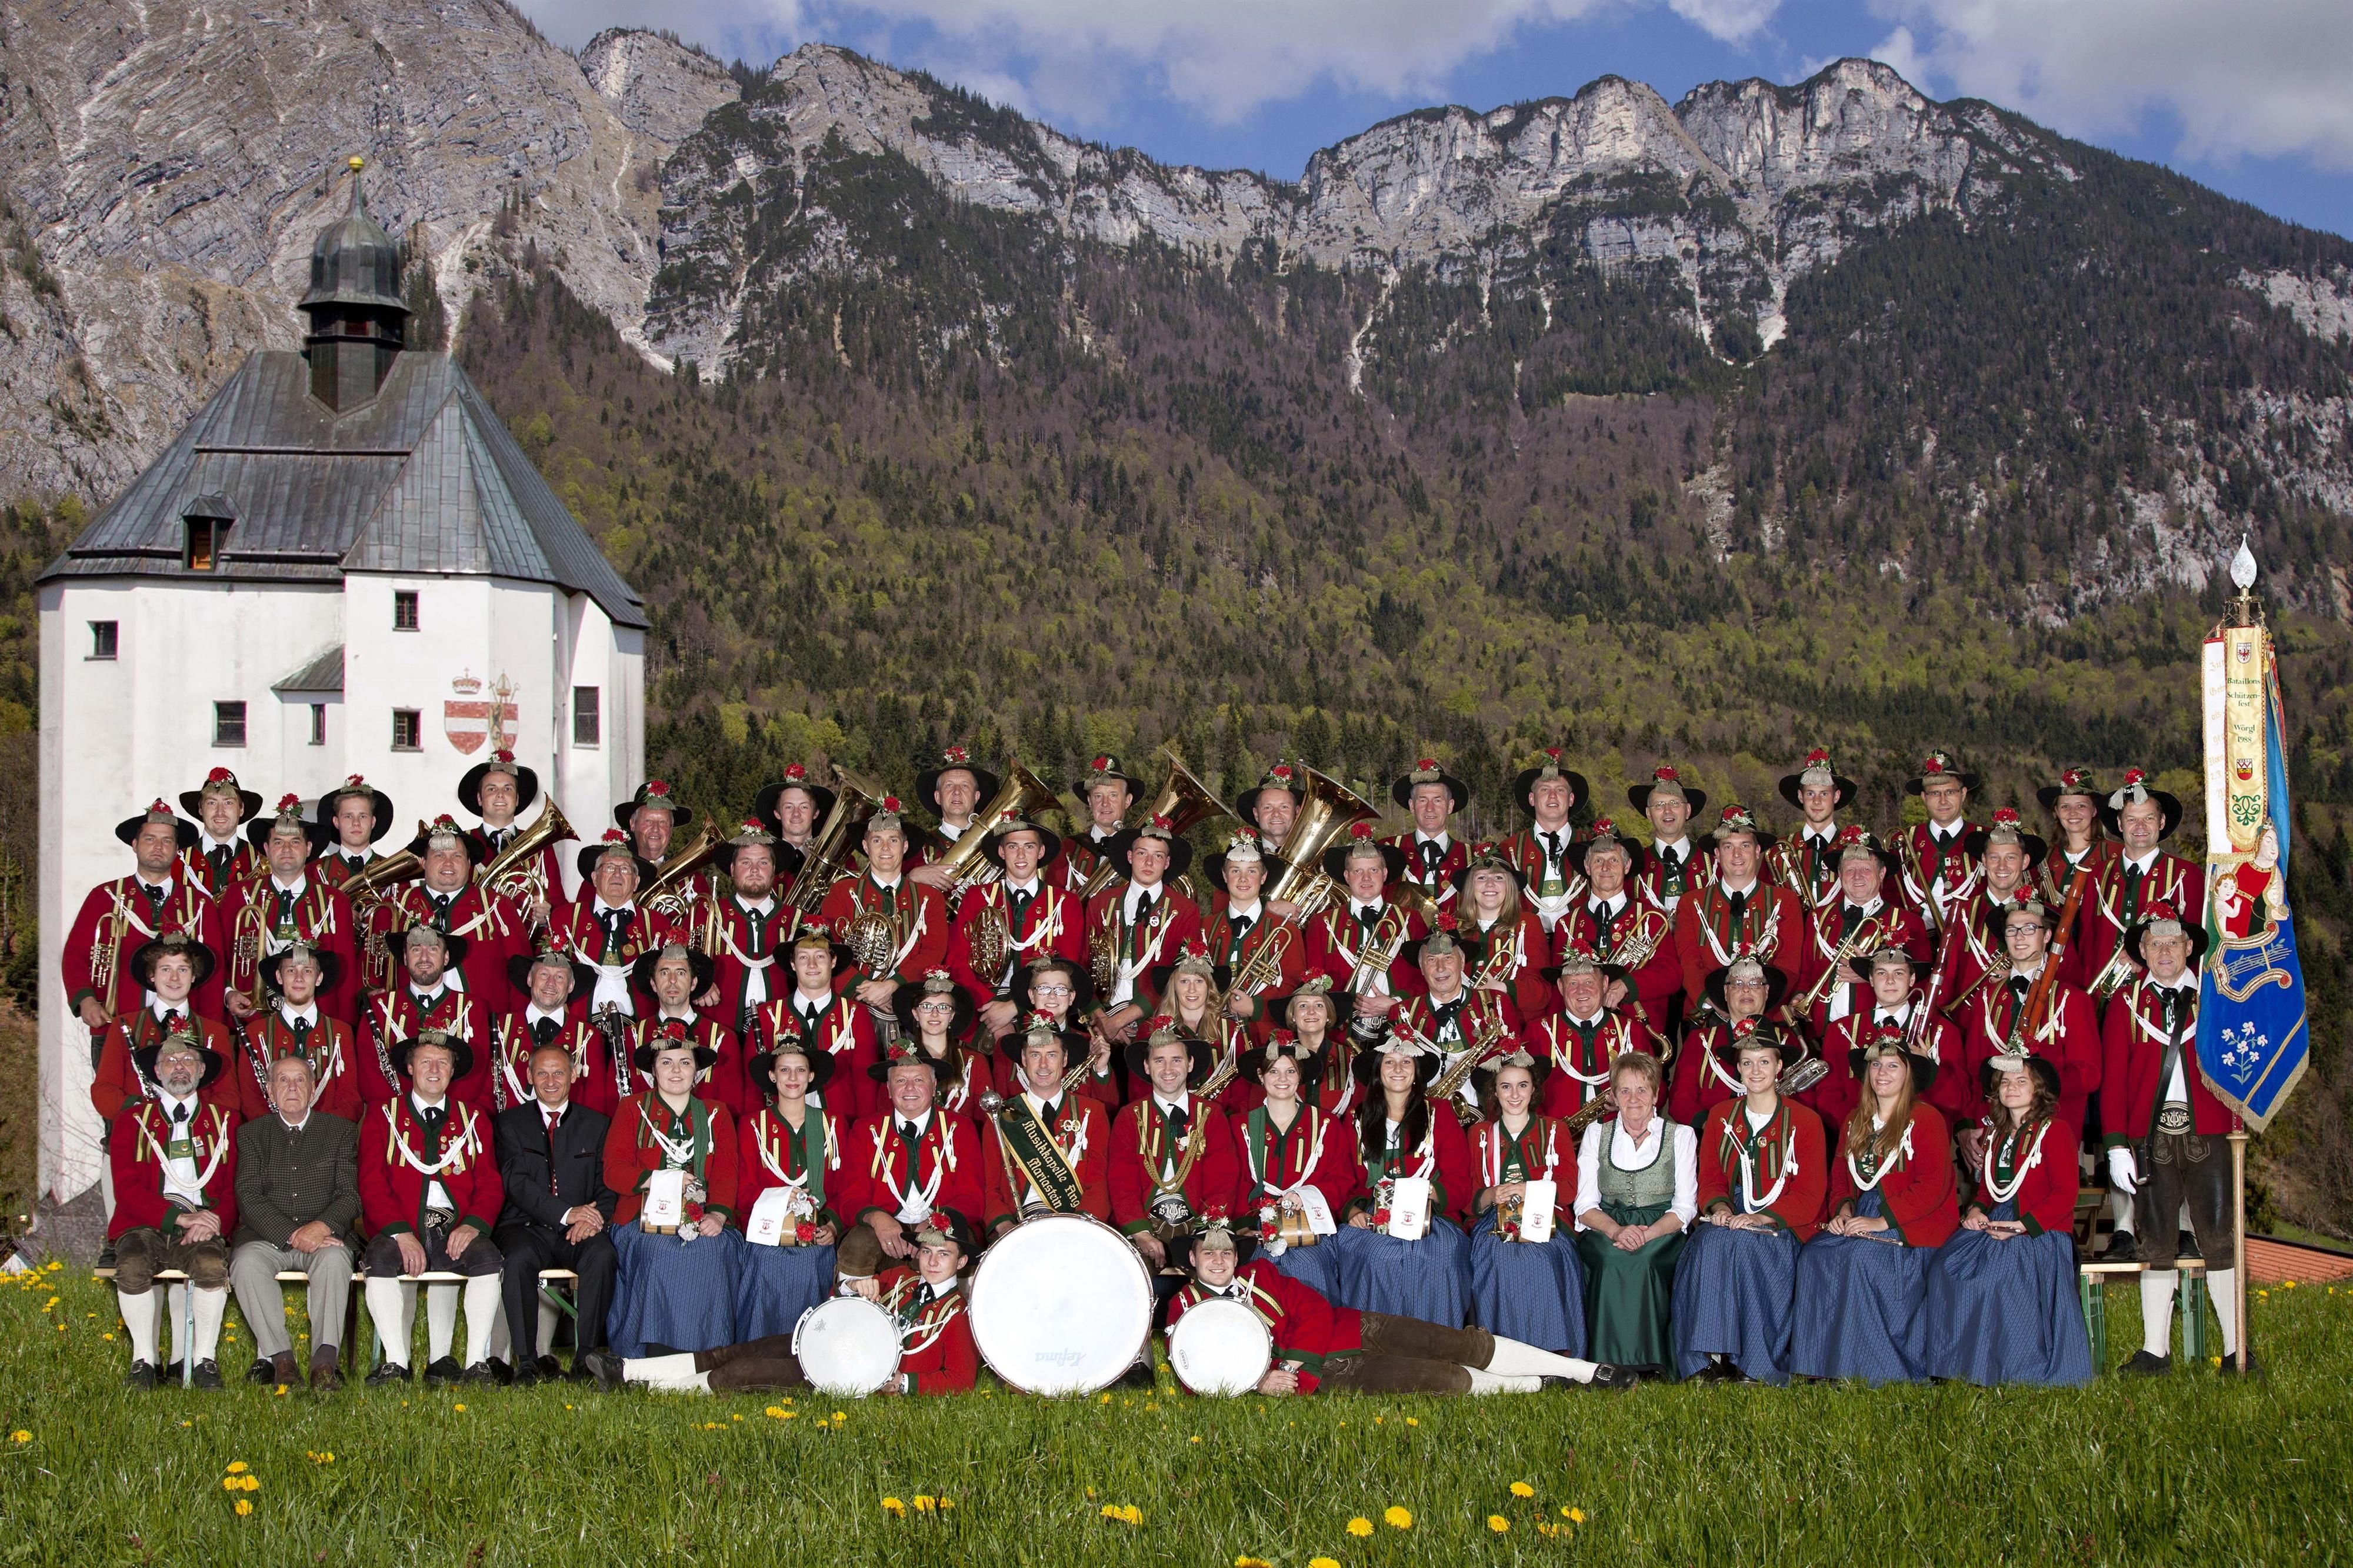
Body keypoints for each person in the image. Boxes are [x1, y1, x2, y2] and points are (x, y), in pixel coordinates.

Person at [1167, 1217, 1637, 1394]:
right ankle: (1541, 1385)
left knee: (1459, 1343)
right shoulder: (1185, 1309)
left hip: (1355, 1328)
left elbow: (1314, 1309)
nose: (1219, 1260)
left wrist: (1291, 1368)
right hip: (1337, 1373)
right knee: (1440, 1379)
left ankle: (1587, 1371)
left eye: (1226, 1252)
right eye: (1208, 1253)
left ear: (1237, 1257)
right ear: (1192, 1260)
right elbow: (1198, 1378)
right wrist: (1259, 1383)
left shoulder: (1261, 1275)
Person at [585, 1210, 982, 1396]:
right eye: (926, 1252)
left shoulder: (957, 1315)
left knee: (740, 1372)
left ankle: (649, 1389)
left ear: (961, 1262)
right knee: (734, 1351)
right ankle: (627, 1370)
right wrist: (853, 1288)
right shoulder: (900, 1280)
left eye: (943, 1255)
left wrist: (905, 1383)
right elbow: (837, 1303)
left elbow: (961, 1380)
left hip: (844, 1374)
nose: (932, 1262)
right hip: (827, 1345)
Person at [2101, 904, 2249, 1372]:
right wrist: (2116, 1144)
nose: (2164, 951)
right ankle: (2155, 1351)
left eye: (2173, 942)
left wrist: (2239, 1119)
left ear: (2189, 948)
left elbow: (2238, 1060)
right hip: (2150, 1139)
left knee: (2220, 1238)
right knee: (2156, 1241)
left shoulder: (2217, 998)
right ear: (2143, 952)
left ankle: (2237, 1350)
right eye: (2155, 943)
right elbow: (2114, 1079)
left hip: (2212, 1131)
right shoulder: (2125, 1004)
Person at [1789, 1033, 1958, 1384]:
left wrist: (1882, 1221)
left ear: (1909, 1074)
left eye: (1893, 1066)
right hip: (1862, 1216)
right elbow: (1841, 1177)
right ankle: (1820, 1363)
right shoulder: (1856, 1120)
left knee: (1859, 1258)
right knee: (1816, 1256)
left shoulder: (1926, 1119)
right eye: (1877, 1065)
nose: (1882, 1073)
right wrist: (1844, 1210)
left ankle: (1868, 1368)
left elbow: (1932, 1187)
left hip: (1911, 1225)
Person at [1670, 1020, 1828, 1384]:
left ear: (1779, 1066)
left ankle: (1755, 1363)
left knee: (1747, 1248)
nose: (1756, 1071)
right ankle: (1704, 1361)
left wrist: (1761, 1219)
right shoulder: (1720, 1115)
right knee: (1708, 1244)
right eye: (1747, 1063)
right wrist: (1721, 1209)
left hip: (1783, 1222)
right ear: (1738, 1069)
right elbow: (1711, 1178)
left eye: (1764, 1062)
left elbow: (1809, 1195)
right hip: (1731, 1216)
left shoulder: (1806, 1121)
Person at [1926, 1053, 2094, 1386]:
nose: (2011, 1088)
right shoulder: (1997, 1135)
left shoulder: (2056, 1131)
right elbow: (1988, 1189)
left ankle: (2009, 1367)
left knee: (1994, 1275)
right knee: (1946, 1266)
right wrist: (1977, 1210)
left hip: (2039, 1231)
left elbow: (2065, 1194)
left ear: (2038, 1089)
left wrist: (2021, 1227)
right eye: (2005, 1082)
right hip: (1997, 1222)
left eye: (2021, 1081)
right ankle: (1957, 1363)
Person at [357, 1030, 505, 1386]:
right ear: (410, 1068)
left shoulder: (473, 1118)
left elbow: (490, 1182)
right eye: (426, 1062)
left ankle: (476, 1363)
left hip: (455, 1228)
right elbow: (371, 1183)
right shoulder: (383, 1115)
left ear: (453, 1071)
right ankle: (396, 1363)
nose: (435, 1070)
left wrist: (472, 1225)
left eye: (443, 1063)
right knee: (378, 1256)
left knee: (487, 1255)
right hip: (401, 1227)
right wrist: (400, 1233)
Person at [109, 1030, 241, 1389]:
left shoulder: (226, 1121)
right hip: (144, 1224)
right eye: (170, 1060)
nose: (179, 1067)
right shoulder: (131, 1121)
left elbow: (235, 1186)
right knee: (132, 1265)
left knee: (211, 1266)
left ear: (201, 1070)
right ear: (156, 1071)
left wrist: (214, 1222)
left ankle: (204, 1361)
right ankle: (143, 1362)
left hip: (203, 1224)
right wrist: (178, 1218)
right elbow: (126, 1189)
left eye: (188, 1060)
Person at [602, 1029, 743, 1360]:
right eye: (666, 1063)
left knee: (715, 1247)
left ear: (698, 1072)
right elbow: (614, 1171)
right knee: (661, 1248)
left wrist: (718, 1214)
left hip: (703, 1215)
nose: (676, 1070)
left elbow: (726, 1171)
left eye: (685, 1063)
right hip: (641, 1219)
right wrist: (662, 1181)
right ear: (654, 1070)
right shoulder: (632, 1108)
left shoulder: (716, 1113)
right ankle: (656, 1355)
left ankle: (708, 1355)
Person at [229, 1052, 358, 1391]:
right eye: (283, 1081)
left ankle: (324, 1364)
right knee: (245, 1263)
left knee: (335, 1260)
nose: (292, 1087)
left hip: (324, 1238)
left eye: (300, 1080)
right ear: (270, 1091)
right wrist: (291, 1233)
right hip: (266, 1238)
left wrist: (322, 1227)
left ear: (313, 1090)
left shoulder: (340, 1131)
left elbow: (350, 1194)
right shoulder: (252, 1134)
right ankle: (282, 1361)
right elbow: (248, 1195)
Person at [492, 1042, 619, 1383]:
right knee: (517, 1260)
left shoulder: (598, 1124)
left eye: (559, 1073)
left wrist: (593, 1220)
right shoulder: (509, 1123)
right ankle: (527, 1360)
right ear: (529, 1076)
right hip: (525, 1227)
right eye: (542, 1073)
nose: (551, 1081)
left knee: (602, 1255)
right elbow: (517, 1184)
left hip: (579, 1230)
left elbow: (608, 1184)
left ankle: (586, 1358)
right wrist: (567, 1213)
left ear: (573, 1075)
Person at [1329, 1036, 1474, 1323]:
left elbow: (1459, 1178)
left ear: (1416, 1071)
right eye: (1390, 1062)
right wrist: (1352, 1211)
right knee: (1378, 1255)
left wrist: (1431, 1191)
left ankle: (1437, 1340)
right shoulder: (1357, 1118)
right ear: (1378, 1072)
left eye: (1406, 1062)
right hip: (1375, 1215)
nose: (1398, 1069)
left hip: (1432, 1217)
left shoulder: (1440, 1113)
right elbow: (1342, 1176)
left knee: (1438, 1254)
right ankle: (1377, 1340)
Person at [1572, 1052, 1695, 1374]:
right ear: (1613, 1097)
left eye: (1642, 1090)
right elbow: (1585, 1205)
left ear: (1656, 1095)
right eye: (1624, 1091)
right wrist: (1615, 1230)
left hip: (1662, 1229)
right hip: (1608, 1226)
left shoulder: (1681, 1136)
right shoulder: (1596, 1134)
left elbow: (1685, 1207)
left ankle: (1651, 1363)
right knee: (1610, 1257)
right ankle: (1605, 1363)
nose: (1634, 1098)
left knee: (1645, 1259)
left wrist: (1648, 1234)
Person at [64, 799, 216, 1043]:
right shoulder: (104, 897)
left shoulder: (199, 905)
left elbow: (214, 975)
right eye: (150, 839)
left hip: (187, 1034)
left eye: (167, 841)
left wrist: (211, 1029)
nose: (158, 847)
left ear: (177, 849)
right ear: (135, 845)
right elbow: (75, 955)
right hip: (114, 1026)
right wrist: (86, 1000)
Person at [834, 1046, 986, 1282]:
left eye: (919, 1080)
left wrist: (936, 1222)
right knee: (858, 1244)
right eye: (901, 1081)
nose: (910, 1088)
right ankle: (853, 1302)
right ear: (889, 1089)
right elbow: (850, 1197)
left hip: (939, 1228)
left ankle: (947, 1305)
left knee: (948, 1245)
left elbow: (972, 1198)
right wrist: (877, 1219)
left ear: (934, 1086)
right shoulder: (865, 1130)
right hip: (882, 1234)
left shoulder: (961, 1129)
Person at [1468, 1049, 1585, 1356]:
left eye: (1522, 1085)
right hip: (1493, 1222)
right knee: (1499, 1254)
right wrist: (1491, 1194)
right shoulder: (1480, 1134)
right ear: (1495, 1092)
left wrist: (1529, 1189)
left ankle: (1554, 1352)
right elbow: (1470, 1197)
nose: (1515, 1094)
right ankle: (1503, 1353)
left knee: (1540, 1255)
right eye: (1506, 1086)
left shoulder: (1555, 1129)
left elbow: (1569, 1189)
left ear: (1534, 1089)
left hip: (1547, 1219)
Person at [1958, 900, 2102, 1145]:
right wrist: (1970, 1125)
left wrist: (2032, 1087)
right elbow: (1973, 1070)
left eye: (2029, 928)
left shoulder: (2074, 1000)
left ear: (2047, 936)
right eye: (2012, 930)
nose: (2019, 937)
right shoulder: (1985, 998)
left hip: (2054, 1131)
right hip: (1994, 1132)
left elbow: (2089, 1075)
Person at [1232, 1032, 1361, 1300]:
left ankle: (1316, 1327)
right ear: (1261, 1076)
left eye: (1290, 1071)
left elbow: (1341, 1179)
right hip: (1256, 1226)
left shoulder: (1326, 1126)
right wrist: (1244, 1226)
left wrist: (1306, 1197)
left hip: (1311, 1225)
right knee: (1257, 1269)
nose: (1282, 1078)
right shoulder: (1240, 1126)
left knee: (1308, 1267)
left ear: (1300, 1076)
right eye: (1274, 1071)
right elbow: (1236, 1180)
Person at [732, 1040, 845, 1345]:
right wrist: (782, 1198)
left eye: (800, 1070)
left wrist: (833, 1225)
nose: (792, 1078)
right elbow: (743, 1192)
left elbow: (845, 1188)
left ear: (811, 1076)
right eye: (784, 1070)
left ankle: (811, 1350)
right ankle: (758, 1350)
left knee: (812, 1260)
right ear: (772, 1076)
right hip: (767, 1233)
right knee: (766, 1261)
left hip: (816, 1234)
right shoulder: (752, 1125)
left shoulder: (832, 1125)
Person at [1109, 1027, 1241, 1278]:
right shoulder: (1129, 1117)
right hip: (1145, 1228)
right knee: (1129, 1277)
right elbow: (1121, 1183)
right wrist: (1141, 1232)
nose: (1168, 1069)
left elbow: (1223, 1181)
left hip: (1199, 1228)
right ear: (1147, 1067)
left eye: (1176, 1060)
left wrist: (1205, 1235)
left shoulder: (1211, 1115)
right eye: (1159, 1061)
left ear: (1190, 1064)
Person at [220, 797, 356, 1026]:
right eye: (278, 842)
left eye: (295, 842)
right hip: (251, 1018)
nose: (286, 849)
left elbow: (346, 973)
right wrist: (229, 993)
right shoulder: (239, 895)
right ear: (266, 849)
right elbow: (222, 954)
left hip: (318, 1023)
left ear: (308, 848)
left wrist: (343, 1028)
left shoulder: (335, 902)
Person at [949, 816, 1086, 1043]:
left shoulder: (1066, 903)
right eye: (1013, 847)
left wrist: (1015, 1007)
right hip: (982, 1009)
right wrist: (990, 1007)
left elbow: (1068, 966)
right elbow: (957, 959)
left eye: (1029, 847)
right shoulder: (977, 897)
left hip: (1041, 1009)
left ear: (1041, 852)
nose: (1021, 855)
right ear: (1002, 852)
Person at [816, 799, 954, 1023]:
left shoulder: (930, 898)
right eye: (877, 840)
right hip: (852, 1006)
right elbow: (829, 949)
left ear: (905, 847)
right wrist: (867, 992)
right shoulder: (841, 892)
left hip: (910, 1006)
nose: (886, 848)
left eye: (893, 840)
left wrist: (892, 986)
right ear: (866, 846)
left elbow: (933, 952)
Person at [2077, 769, 2205, 1005]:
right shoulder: (2097, 876)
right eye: (2131, 819)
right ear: (2120, 823)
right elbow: (2087, 943)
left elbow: (2195, 948)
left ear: (2162, 822)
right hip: (2100, 1001)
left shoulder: (2187, 876)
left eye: (2149, 818)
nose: (2140, 826)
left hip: (2162, 1003)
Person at [1789, 826, 1929, 1039]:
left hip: (1879, 1035)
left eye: (1866, 869)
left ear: (1881, 873)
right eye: (1849, 870)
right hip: (1821, 1033)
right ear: (1839, 875)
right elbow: (1806, 973)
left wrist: (1870, 975)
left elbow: (1920, 986)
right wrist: (1800, 995)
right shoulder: (1818, 918)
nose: (1857, 877)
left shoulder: (1909, 923)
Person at [978, 1017, 1114, 1234]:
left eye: (1051, 1055)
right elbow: (990, 1188)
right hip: (1019, 1227)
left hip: (1077, 1226)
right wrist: (1005, 1227)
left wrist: (1081, 1228)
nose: (1043, 1065)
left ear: (1065, 1059)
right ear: (1023, 1059)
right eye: (1035, 1055)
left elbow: (1099, 1184)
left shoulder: (1093, 1112)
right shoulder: (999, 1116)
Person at [1813, 948, 1967, 1133]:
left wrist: (1929, 1068)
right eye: (1881, 973)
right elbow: (1828, 1096)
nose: (1890, 981)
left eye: (1899, 973)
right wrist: (1862, 1128)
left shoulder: (1943, 1031)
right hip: (1860, 1137)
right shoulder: (1840, 1031)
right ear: (1871, 979)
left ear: (1912, 979)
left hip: (1921, 1137)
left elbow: (1958, 1100)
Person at [385, 816, 525, 1016]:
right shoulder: (397, 905)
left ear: (469, 863)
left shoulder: (498, 906)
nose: (448, 863)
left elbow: (521, 976)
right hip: (408, 1023)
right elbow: (377, 972)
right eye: (439, 855)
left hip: (481, 1026)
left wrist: (513, 1026)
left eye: (457, 856)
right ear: (423, 862)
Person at [1084, 815, 1202, 1051]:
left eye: (1158, 856)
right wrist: (1100, 1018)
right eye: (1142, 853)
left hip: (1156, 1025)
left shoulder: (1185, 910)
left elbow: (1178, 974)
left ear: (1167, 863)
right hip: (1099, 1025)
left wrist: (1120, 1020)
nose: (1149, 862)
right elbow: (1083, 963)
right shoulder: (1100, 903)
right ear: (1130, 857)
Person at [92, 935, 237, 1126]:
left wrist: (194, 1118)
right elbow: (104, 1091)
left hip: (198, 1132)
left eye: (183, 970)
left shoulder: (215, 1032)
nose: (174, 978)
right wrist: (143, 1111)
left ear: (193, 976)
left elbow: (229, 1096)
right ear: (152, 975)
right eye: (166, 969)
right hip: (140, 1130)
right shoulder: (124, 1026)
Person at [1553, 819, 1679, 1033]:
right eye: (1598, 860)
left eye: (1613, 860)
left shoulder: (1652, 919)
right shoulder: (1567, 924)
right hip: (1581, 1033)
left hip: (1640, 1032)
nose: (1606, 868)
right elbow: (1558, 988)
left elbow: (1672, 975)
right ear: (1587, 867)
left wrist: (1627, 985)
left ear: (1627, 866)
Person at [1672, 804, 1802, 1010]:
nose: (1737, 855)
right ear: (1717, 853)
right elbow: (1689, 962)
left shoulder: (1786, 901)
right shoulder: (1691, 903)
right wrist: (1712, 1003)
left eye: (1745, 846)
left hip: (1768, 1013)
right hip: (1708, 1015)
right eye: (1728, 847)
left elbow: (1789, 963)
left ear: (1757, 851)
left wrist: (1758, 1005)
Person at [1304, 823, 1427, 1038]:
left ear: (1385, 874)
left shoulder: (1411, 920)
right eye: (1358, 871)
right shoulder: (1322, 923)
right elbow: (1312, 983)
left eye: (1373, 870)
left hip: (1402, 1031)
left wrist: (1395, 1003)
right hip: (1341, 1036)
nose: (1366, 878)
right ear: (1347, 876)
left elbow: (1428, 977)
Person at [1389, 919, 1517, 1127]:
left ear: (1462, 961)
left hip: (1489, 1121)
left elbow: (1517, 1068)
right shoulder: (1403, 1012)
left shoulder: (1497, 1003)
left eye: (1448, 957)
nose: (1440, 968)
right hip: (1426, 1121)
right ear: (1422, 967)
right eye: (1431, 959)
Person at [545, 830, 677, 1027]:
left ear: (636, 882)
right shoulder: (565, 918)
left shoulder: (658, 924)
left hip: (641, 1030)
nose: (617, 874)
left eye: (625, 869)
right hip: (578, 1028)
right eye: (609, 868)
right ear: (595, 878)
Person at [693, 817, 806, 1045]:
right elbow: (676, 966)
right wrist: (698, 983)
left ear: (774, 870)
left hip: (781, 1037)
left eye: (763, 863)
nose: (755, 870)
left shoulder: (797, 920)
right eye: (746, 862)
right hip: (715, 1033)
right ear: (732, 869)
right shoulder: (706, 912)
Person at [752, 930, 879, 1123]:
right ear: (793, 964)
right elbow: (753, 1086)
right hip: (779, 1127)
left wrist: (863, 1130)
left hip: (840, 1126)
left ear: (833, 962)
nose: (812, 965)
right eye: (803, 957)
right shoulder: (767, 1015)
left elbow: (866, 1085)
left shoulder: (856, 1015)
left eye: (820, 956)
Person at [358, 925, 489, 1109]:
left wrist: (444, 1109)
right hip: (393, 1115)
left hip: (455, 1115)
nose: (424, 958)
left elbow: (476, 1072)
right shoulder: (379, 1008)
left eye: (433, 949)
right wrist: (404, 1112)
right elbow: (369, 1075)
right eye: (416, 949)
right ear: (405, 957)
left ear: (446, 957)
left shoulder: (473, 1009)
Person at [1527, 945, 1657, 1121]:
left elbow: (1655, 1088)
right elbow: (1525, 1092)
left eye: (1589, 982)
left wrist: (1631, 1104)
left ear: (1604, 984)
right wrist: (1547, 1130)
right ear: (1561, 987)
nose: (1581, 990)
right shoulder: (1538, 1031)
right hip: (1557, 1133)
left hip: (1620, 1131)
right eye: (1573, 983)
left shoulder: (1630, 1030)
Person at [234, 942, 361, 1122]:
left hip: (327, 1135)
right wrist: (278, 1131)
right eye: (291, 970)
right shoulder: (256, 1033)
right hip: (271, 1136)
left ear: (319, 978)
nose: (299, 978)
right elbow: (250, 1100)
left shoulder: (340, 1033)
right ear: (279, 977)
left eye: (307, 971)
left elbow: (350, 1099)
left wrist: (321, 1131)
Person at [492, 945, 614, 1117]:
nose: (551, 983)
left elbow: (596, 1101)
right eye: (544, 974)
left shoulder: (587, 1036)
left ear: (571, 985)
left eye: (559, 977)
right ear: (530, 979)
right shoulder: (500, 1027)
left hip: (570, 1131)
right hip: (508, 1129)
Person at [313, 775, 408, 995]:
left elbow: (405, 934)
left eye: (363, 816)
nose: (356, 823)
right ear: (336, 822)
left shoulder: (398, 873)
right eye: (348, 816)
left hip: (380, 982)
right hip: (329, 983)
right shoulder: (314, 872)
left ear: (373, 822)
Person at [626, 943, 746, 1115]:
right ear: (653, 984)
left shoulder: (723, 1039)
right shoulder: (631, 1037)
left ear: (693, 983)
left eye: (681, 973)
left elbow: (732, 1109)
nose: (672, 980)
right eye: (664, 973)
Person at [1198, 835, 1305, 1022]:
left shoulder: (1286, 931)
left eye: (1252, 871)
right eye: (1235, 871)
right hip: (1211, 1028)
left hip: (1263, 1030)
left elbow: (1294, 985)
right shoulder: (1204, 927)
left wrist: (1257, 1007)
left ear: (1263, 877)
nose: (1243, 879)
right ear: (1225, 876)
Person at [1668, 956, 1782, 1127]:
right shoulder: (1700, 1042)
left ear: (1766, 992)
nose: (1746, 990)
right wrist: (1711, 1126)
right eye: (1737, 984)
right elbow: (1680, 1101)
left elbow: (1804, 1101)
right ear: (1726, 992)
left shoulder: (1786, 1040)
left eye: (1755, 984)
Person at [1139, 942, 1254, 1109]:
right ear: (1174, 987)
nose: (1192, 989)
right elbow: (1140, 1089)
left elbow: (1242, 1093)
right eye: (1184, 981)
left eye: (1199, 981)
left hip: (1221, 1119)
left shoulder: (1233, 1031)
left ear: (1210, 987)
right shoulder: (1151, 1030)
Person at [1489, 748, 1590, 934]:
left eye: (1560, 790)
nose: (1552, 796)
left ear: (1571, 799)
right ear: (1532, 799)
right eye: (1544, 790)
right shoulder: (1508, 849)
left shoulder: (1592, 845)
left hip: (1582, 938)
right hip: (1525, 942)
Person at [1454, 852, 1554, 1026]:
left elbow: (1542, 992)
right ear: (1470, 886)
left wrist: (1502, 988)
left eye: (1499, 878)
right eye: (1481, 878)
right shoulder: (1453, 927)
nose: (1490, 884)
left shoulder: (1528, 924)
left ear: (1510, 886)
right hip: (1465, 1024)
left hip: (1518, 1025)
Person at [461, 750, 560, 922]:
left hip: (525, 938)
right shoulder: (462, 843)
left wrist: (548, 914)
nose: (500, 794)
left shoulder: (540, 847)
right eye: (492, 789)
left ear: (517, 799)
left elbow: (559, 901)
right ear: (479, 799)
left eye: (508, 789)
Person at [1895, 751, 1981, 933]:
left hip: (1972, 938)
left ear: (1963, 794)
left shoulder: (1986, 839)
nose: (1943, 801)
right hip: (1915, 940)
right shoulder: (1903, 841)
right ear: (1924, 797)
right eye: (1935, 793)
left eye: (1950, 792)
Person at [1765, 748, 1857, 911]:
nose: (1817, 801)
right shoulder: (1778, 851)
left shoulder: (1855, 848)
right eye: (1810, 794)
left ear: (1836, 796)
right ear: (1801, 796)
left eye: (1824, 794)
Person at [896, 969, 993, 1117]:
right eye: (926, 1007)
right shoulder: (900, 1061)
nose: (935, 1014)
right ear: (915, 1014)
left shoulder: (975, 1063)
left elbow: (988, 1117)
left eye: (943, 1007)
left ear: (952, 1016)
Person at [1385, 756, 1471, 909]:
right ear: (1412, 806)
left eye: (1438, 800)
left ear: (1450, 806)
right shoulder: (1388, 850)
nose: (1430, 808)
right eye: (1423, 800)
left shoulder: (1471, 857)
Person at [1627, 765, 1711, 916]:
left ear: (1688, 810)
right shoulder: (1632, 867)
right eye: (1659, 805)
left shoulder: (1714, 863)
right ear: (1649, 813)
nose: (1667, 811)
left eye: (1675, 803)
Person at [907, 744, 995, 883]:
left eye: (965, 786)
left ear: (976, 797)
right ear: (938, 797)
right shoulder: (918, 848)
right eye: (949, 785)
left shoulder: (996, 844)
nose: (957, 792)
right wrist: (911, 878)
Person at [616, 779, 708, 907]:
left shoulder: (692, 882)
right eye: (648, 821)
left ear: (671, 829)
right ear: (633, 824)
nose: (655, 829)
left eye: (663, 822)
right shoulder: (611, 875)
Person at [179, 766, 266, 900]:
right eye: (212, 803)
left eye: (228, 803)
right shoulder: (178, 862)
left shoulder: (261, 861)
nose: (220, 812)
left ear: (241, 809)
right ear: (201, 809)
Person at [2036, 766, 2118, 909]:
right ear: (2056, 812)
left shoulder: (2117, 854)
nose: (2073, 813)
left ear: (2094, 811)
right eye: (2065, 807)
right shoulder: (2045, 859)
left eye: (2081, 806)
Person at [1057, 754, 1139, 895]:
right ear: (1090, 801)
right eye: (1098, 796)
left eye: (1113, 795)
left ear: (1127, 801)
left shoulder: (1142, 848)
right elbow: (1050, 899)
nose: (1105, 803)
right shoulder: (1068, 848)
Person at [753, 764, 833, 898]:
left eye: (804, 807)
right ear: (778, 814)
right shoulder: (759, 859)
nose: (796, 814)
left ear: (816, 813)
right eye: (789, 807)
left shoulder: (835, 858)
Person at [1234, 762, 1303, 856]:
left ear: (1297, 812)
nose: (1276, 814)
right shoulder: (1240, 854)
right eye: (1268, 808)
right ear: (1256, 814)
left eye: (1284, 807)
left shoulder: (1316, 857)